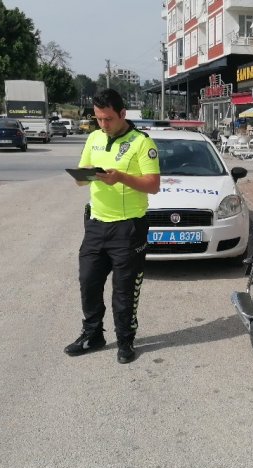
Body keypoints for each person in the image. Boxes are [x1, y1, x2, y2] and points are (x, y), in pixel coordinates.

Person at [65, 88, 160, 363]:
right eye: (98, 119)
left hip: (128, 229)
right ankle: (93, 334)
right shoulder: (94, 138)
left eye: (108, 119)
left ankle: (125, 341)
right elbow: (82, 177)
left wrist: (120, 178)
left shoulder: (143, 143)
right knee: (88, 282)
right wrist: (83, 177)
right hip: (95, 225)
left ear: (122, 114)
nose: (103, 125)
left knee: (124, 290)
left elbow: (153, 185)